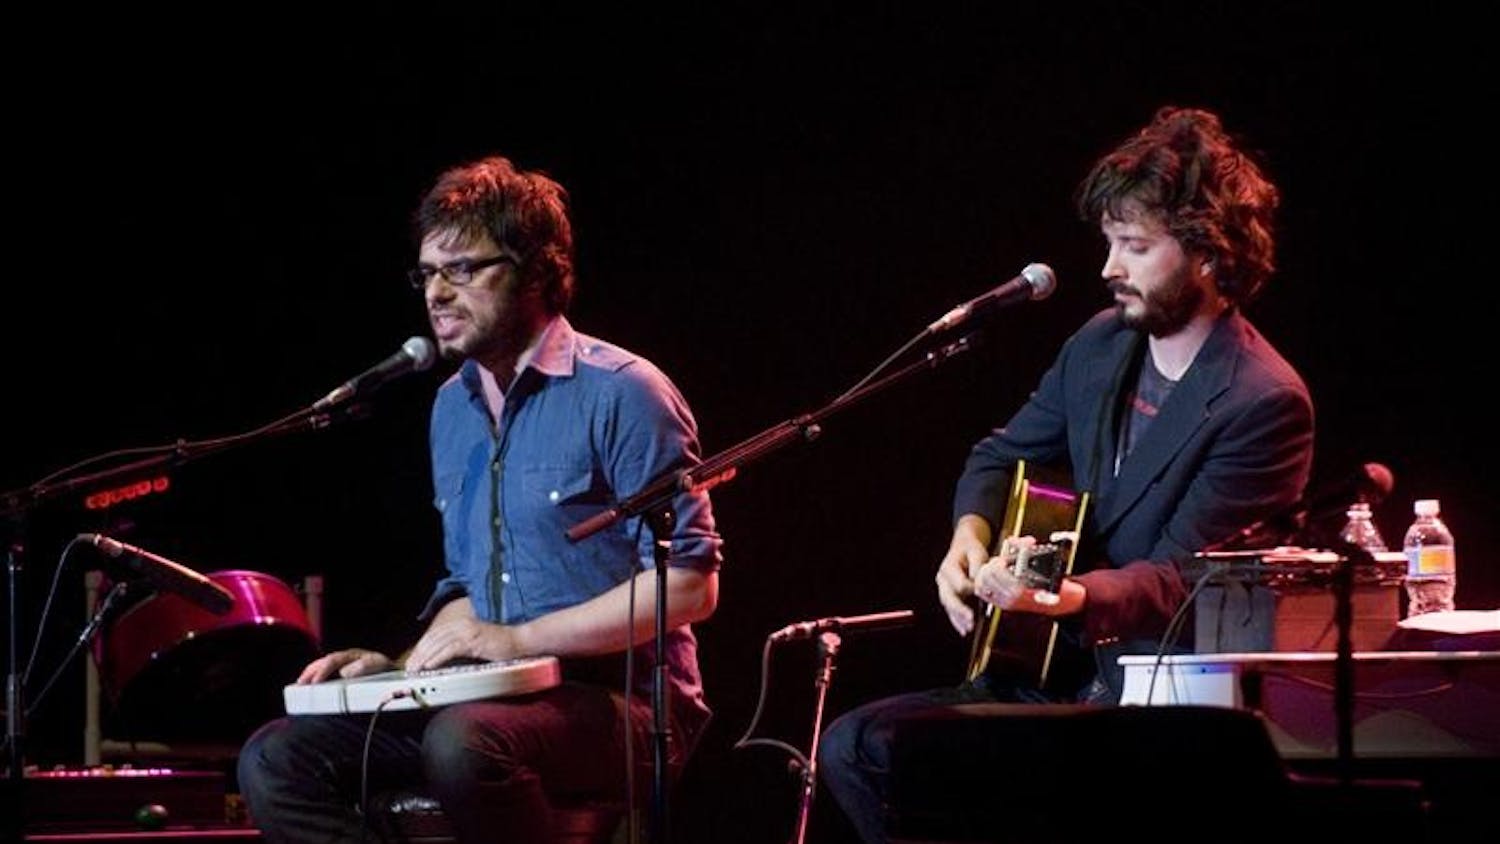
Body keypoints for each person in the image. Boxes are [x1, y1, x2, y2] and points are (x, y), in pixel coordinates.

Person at [816, 106, 1315, 843]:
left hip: (1152, 698)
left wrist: (1067, 596)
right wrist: (968, 537)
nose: (1108, 267)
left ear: (1209, 254)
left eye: (1134, 246)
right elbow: (1000, 454)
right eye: (1109, 242)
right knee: (859, 746)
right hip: (1046, 674)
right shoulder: (1102, 343)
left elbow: (1184, 583)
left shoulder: (1261, 401)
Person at [238, 155, 723, 843]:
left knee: (464, 744)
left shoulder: (624, 393)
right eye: (428, 274)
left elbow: (689, 587)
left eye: (462, 270)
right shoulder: (452, 407)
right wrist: (403, 664)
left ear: (534, 270)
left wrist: (515, 640)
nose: (437, 293)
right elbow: (473, 587)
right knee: (278, 757)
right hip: (493, 695)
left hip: (629, 708)